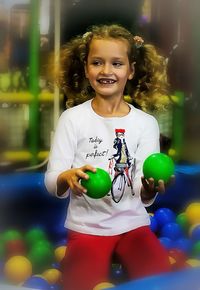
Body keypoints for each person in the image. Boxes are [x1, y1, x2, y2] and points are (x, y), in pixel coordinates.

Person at [45, 24, 173, 290]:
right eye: (97, 62)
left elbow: (142, 187)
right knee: (77, 285)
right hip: (87, 227)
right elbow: (51, 179)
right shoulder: (72, 119)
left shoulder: (145, 123)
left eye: (116, 63)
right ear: (86, 68)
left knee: (164, 282)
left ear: (131, 70)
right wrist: (67, 177)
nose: (106, 71)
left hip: (133, 225)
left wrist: (150, 187)